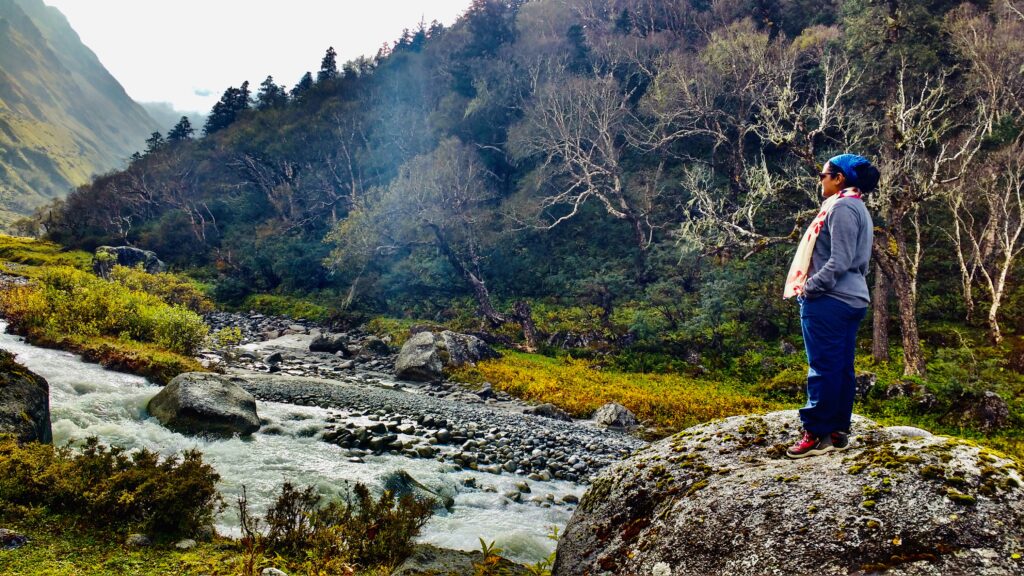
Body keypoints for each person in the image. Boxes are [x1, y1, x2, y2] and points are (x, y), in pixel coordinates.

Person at [782, 154, 879, 459]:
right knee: (840, 367)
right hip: (851, 298)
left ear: (839, 178)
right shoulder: (856, 206)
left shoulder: (841, 207)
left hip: (831, 300)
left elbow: (840, 261)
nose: (820, 180)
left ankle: (816, 434)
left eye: (824, 174)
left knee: (822, 366)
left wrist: (809, 288)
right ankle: (837, 431)